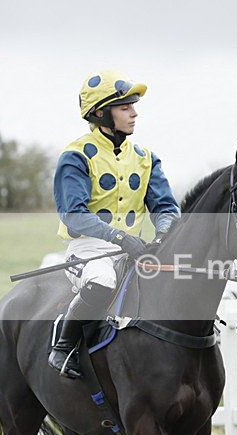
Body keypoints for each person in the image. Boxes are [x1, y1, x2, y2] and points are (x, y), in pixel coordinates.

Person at [49, 69, 180, 379]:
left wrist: (162, 236)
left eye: (133, 106)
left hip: (135, 247)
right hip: (89, 247)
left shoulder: (147, 158)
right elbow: (74, 214)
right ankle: (63, 344)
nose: (135, 113)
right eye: (125, 107)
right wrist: (121, 239)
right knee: (102, 284)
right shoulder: (76, 156)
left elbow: (165, 207)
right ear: (101, 113)